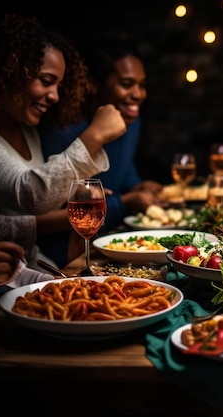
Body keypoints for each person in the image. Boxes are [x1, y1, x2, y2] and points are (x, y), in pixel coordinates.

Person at [0, 14, 126, 271]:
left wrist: (72, 205)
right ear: (9, 70)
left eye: (59, 85)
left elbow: (19, 214)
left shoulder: (27, 131)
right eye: (46, 81)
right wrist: (94, 135)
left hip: (33, 266)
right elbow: (31, 193)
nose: (54, 96)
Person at [40, 39, 164, 267]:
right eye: (126, 84)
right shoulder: (65, 131)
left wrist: (139, 187)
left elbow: (126, 174)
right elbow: (52, 212)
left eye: (142, 85)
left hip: (111, 239)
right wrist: (126, 202)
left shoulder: (130, 122)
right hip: (66, 254)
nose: (138, 94)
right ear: (95, 84)